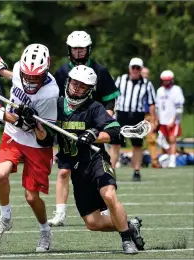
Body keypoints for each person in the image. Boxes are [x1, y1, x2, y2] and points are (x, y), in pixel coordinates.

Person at [23, 65, 145, 254]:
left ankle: (126, 239)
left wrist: (93, 135)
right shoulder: (55, 105)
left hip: (95, 161)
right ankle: (129, 226)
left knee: (109, 195)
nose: (76, 88)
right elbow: (46, 139)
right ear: (68, 82)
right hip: (77, 169)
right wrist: (35, 125)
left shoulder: (94, 108)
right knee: (93, 223)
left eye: (82, 86)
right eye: (74, 83)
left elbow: (114, 132)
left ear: (89, 89)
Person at [0, 43, 59, 252]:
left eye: (35, 77)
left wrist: (0, 114)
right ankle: (5, 217)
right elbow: (13, 76)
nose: (29, 80)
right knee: (1, 175)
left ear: (45, 72)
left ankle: (45, 230)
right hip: (13, 135)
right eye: (27, 75)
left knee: (31, 197)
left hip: (37, 143)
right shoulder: (21, 69)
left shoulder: (50, 93)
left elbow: (37, 131)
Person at [49, 30, 119, 226]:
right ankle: (60, 213)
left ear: (88, 50)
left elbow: (109, 101)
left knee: (94, 166)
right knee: (63, 170)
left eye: (82, 49)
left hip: (93, 129)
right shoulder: (62, 72)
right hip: (69, 126)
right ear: (69, 50)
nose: (78, 53)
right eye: (75, 49)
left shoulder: (100, 71)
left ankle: (102, 200)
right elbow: (51, 96)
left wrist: (102, 126)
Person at [111, 58, 157, 181]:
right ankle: (111, 170)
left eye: (138, 68)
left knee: (137, 145)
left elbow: (152, 103)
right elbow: (112, 96)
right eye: (134, 68)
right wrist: (110, 113)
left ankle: (136, 171)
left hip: (137, 115)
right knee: (115, 144)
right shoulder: (121, 80)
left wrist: (153, 120)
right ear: (130, 68)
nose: (135, 70)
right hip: (121, 114)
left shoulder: (147, 84)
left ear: (141, 70)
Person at [155, 70, 185, 168]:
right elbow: (158, 107)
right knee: (161, 140)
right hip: (162, 120)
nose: (166, 82)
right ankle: (167, 158)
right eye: (164, 80)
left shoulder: (176, 90)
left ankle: (172, 161)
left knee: (172, 140)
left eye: (167, 80)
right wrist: (157, 119)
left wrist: (173, 120)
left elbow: (179, 108)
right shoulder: (160, 91)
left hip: (173, 120)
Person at [141, 67, 161, 168]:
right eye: (143, 73)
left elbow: (153, 104)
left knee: (151, 139)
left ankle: (154, 161)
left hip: (148, 115)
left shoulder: (149, 86)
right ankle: (139, 161)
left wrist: (155, 118)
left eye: (146, 74)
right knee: (136, 139)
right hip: (136, 115)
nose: (144, 76)